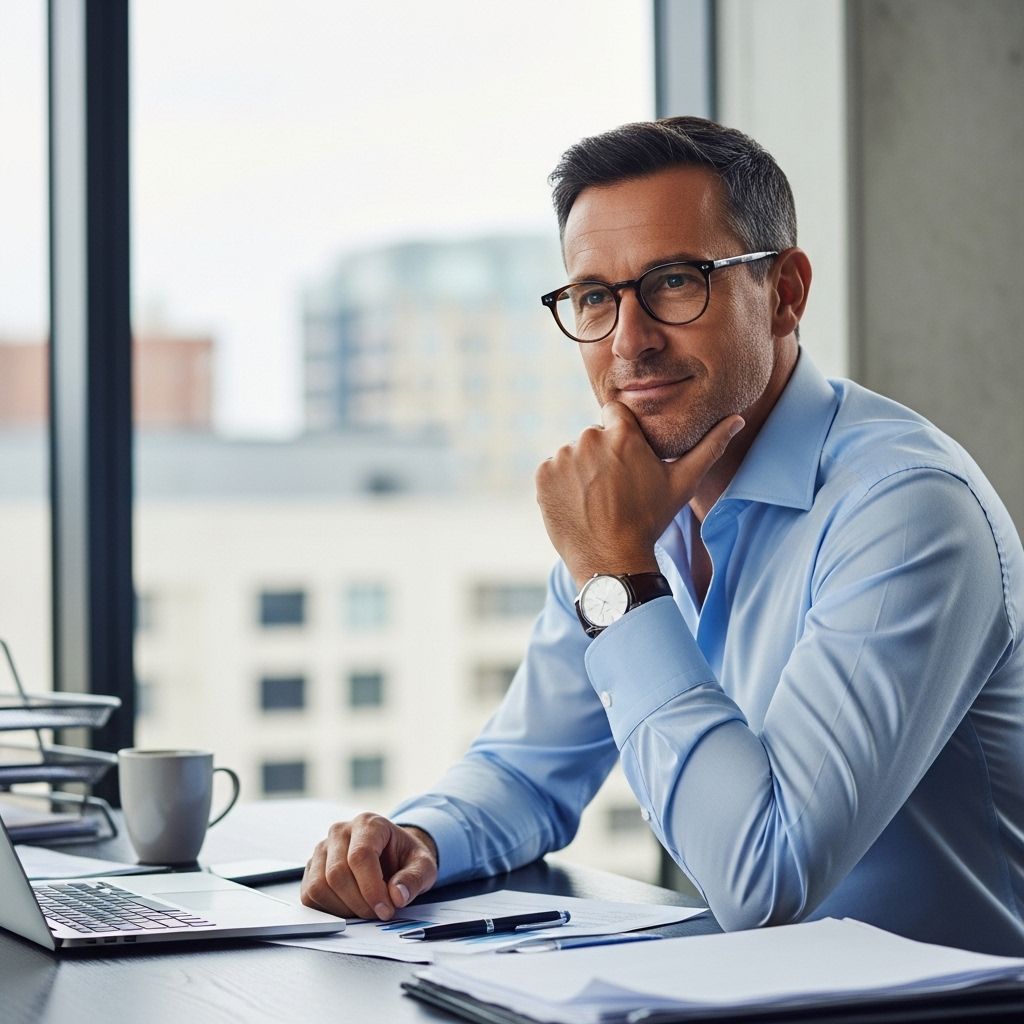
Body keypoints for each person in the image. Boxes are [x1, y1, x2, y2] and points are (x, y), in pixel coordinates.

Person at [301, 116, 1024, 955]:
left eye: (676, 282)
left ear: (785, 292)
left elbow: (766, 875)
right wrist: (416, 843)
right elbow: (527, 772)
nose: (629, 342)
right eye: (595, 298)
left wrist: (615, 570)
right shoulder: (638, 502)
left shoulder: (905, 511)